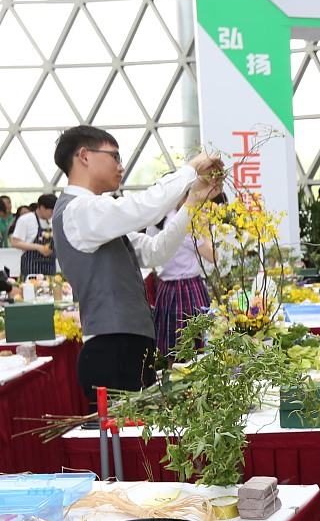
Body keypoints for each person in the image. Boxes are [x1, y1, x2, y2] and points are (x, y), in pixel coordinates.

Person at [50, 125, 223, 408]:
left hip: (125, 348)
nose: (120, 166)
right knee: (124, 435)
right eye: (114, 156)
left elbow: (156, 251)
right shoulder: (78, 211)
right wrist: (191, 169)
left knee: (135, 433)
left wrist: (193, 201)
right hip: (111, 350)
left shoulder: (95, 213)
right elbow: (142, 209)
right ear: (84, 156)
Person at [147, 197, 217, 358]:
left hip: (166, 289)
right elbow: (212, 256)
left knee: (173, 353)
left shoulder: (155, 222)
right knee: (197, 351)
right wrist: (205, 227)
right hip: (188, 289)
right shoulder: (182, 223)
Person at [10, 193, 57, 279]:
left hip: (50, 267)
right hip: (31, 267)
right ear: (42, 207)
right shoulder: (26, 220)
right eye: (51, 211)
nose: (53, 214)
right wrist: (38, 247)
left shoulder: (53, 221)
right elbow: (15, 242)